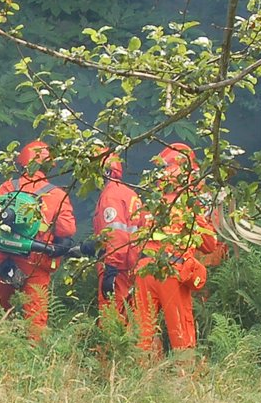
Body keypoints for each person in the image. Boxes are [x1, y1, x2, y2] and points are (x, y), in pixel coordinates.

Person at [133, 143, 224, 358]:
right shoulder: (188, 206)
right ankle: (185, 381)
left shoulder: (150, 204)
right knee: (181, 331)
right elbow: (210, 245)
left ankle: (140, 379)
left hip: (144, 271)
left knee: (143, 333)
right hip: (171, 273)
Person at [0, 140, 77, 340]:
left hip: (4, 260)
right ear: (47, 165)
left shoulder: (7, 187)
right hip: (37, 261)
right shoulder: (56, 194)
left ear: (23, 163)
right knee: (35, 318)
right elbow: (67, 229)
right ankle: (32, 360)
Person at [92, 152, 142, 316]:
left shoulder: (110, 196)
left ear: (106, 172)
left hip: (117, 268)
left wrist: (111, 270)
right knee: (131, 316)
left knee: (113, 318)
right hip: (131, 265)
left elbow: (116, 234)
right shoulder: (129, 194)